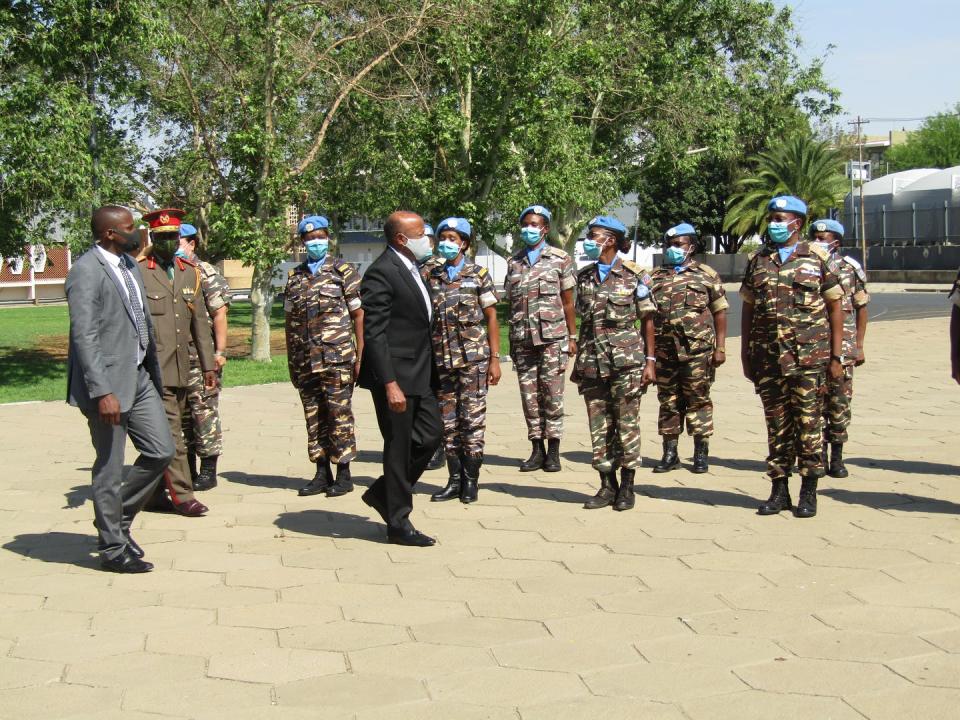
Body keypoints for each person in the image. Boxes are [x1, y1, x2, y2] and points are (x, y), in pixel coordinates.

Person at [66, 205, 175, 573]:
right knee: (110, 468)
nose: (138, 232)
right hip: (107, 387)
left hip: (140, 376)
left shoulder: (128, 266)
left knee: (161, 452)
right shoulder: (85, 271)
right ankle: (113, 549)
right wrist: (102, 392)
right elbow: (85, 336)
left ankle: (115, 518)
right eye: (130, 227)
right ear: (110, 233)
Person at [740, 196, 845, 519]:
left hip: (808, 358)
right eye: (771, 217)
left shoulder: (816, 259)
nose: (773, 223)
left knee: (808, 424)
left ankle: (808, 491)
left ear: (796, 223)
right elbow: (748, 307)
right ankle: (779, 490)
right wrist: (746, 352)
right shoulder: (759, 260)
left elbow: (835, 307)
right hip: (769, 358)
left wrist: (836, 356)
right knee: (777, 426)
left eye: (779, 218)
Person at [357, 211, 443, 546]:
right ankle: (398, 523)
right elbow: (375, 334)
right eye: (421, 233)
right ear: (400, 239)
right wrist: (390, 384)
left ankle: (383, 493)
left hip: (420, 372)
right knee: (399, 447)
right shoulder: (381, 272)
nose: (428, 239)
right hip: (395, 377)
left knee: (431, 437)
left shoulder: (413, 268)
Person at [571, 216, 656, 511]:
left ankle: (628, 487)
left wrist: (650, 361)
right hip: (592, 362)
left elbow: (647, 321)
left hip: (626, 364)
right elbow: (584, 322)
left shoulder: (636, 276)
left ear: (610, 240)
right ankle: (607, 485)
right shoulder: (584, 277)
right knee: (599, 426)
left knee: (626, 424)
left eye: (593, 236)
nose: (588, 241)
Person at [138, 208, 218, 517]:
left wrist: (209, 367)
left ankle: (151, 492)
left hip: (184, 368)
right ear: (152, 238)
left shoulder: (189, 271)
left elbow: (200, 322)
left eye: (173, 237)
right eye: (162, 238)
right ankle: (183, 495)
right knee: (173, 435)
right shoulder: (140, 271)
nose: (169, 243)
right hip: (154, 370)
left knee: (169, 434)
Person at [284, 215, 363, 497]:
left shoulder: (343, 271)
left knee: (339, 415)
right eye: (309, 239)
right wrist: (291, 360)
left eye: (319, 236)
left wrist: (360, 355)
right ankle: (320, 472)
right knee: (313, 416)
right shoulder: (295, 277)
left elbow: (358, 315)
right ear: (303, 242)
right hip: (306, 359)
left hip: (337, 357)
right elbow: (290, 320)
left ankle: (344, 474)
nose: (314, 242)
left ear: (327, 237)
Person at [425, 217, 501, 504]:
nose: (446, 243)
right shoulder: (432, 274)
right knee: (448, 423)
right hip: (442, 360)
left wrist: (494, 360)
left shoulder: (478, 274)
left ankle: (471, 481)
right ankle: (453, 479)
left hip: (473, 361)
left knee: (472, 420)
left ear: (465, 244)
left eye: (453, 239)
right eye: (443, 237)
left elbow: (492, 318)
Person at [649, 223, 728, 474]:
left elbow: (720, 311)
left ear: (691, 247)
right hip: (664, 350)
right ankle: (670, 453)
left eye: (678, 245)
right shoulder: (655, 276)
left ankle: (700, 454)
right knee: (668, 401)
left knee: (698, 400)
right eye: (669, 245)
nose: (672, 249)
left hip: (697, 350)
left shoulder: (706, 274)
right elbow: (647, 316)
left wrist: (721, 347)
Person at [505, 204, 577, 472]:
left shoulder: (560, 259)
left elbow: (568, 302)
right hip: (522, 339)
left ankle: (554, 451)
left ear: (545, 229)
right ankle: (536, 449)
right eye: (525, 224)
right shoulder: (514, 262)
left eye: (534, 225)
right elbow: (511, 303)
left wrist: (572, 336)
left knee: (552, 394)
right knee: (529, 396)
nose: (528, 229)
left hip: (552, 338)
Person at [810, 219, 869, 478]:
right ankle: (817, 455)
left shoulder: (848, 269)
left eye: (824, 237)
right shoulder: (806, 266)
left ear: (837, 242)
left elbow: (861, 307)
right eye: (815, 236)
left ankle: (837, 455)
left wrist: (859, 345)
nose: (818, 241)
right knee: (813, 402)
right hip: (812, 345)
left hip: (843, 347)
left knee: (839, 401)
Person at [177, 223, 231, 491]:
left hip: (202, 358)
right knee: (181, 415)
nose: (175, 245)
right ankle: (186, 469)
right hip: (176, 357)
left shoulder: (205, 272)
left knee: (204, 412)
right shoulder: (167, 271)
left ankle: (208, 470)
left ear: (191, 244)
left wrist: (219, 352)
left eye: (179, 240)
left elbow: (219, 313)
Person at [422, 222, 447, 473]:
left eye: (427, 239)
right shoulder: (409, 267)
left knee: (440, 397)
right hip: (418, 342)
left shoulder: (439, 269)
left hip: (440, 340)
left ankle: (439, 447)